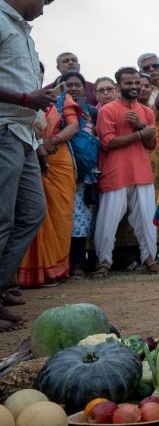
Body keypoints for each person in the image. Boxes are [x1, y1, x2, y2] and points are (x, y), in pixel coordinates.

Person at [0, 0, 56, 330]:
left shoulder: (25, 34)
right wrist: (25, 97)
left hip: (23, 136)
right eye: (44, 2)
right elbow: (21, 93)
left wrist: (36, 138)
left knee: (33, 212)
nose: (43, 10)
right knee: (1, 218)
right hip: (3, 129)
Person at [92, 67, 159, 279]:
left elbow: (151, 143)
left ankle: (149, 259)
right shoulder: (108, 110)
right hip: (116, 172)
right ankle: (104, 262)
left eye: (136, 84)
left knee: (147, 219)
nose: (134, 87)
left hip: (141, 172)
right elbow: (108, 142)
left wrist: (139, 126)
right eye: (128, 83)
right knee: (108, 219)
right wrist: (139, 133)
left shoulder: (146, 112)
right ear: (118, 85)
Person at [18, 74, 82, 287]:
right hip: (28, 154)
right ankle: (25, 274)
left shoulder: (62, 99)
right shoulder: (20, 98)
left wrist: (50, 141)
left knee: (59, 215)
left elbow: (73, 126)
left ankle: (54, 270)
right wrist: (38, 145)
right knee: (30, 211)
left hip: (58, 160)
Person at [63, 71, 99, 278]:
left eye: (78, 85)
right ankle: (61, 265)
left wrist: (88, 126)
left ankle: (77, 264)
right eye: (69, 85)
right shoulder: (55, 109)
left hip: (85, 175)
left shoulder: (92, 112)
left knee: (81, 221)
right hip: (59, 171)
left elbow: (98, 140)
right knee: (61, 218)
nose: (74, 88)